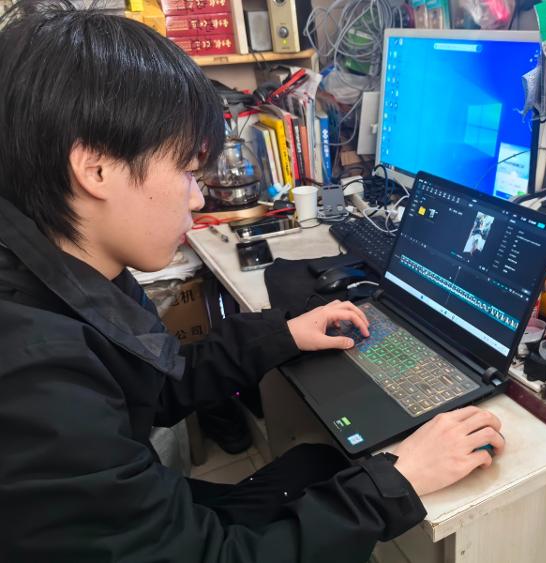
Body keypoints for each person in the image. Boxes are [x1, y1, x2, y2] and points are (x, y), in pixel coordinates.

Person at [0, 2, 506, 562]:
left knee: (320, 464)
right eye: (187, 172)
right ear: (95, 169)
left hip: (151, 519)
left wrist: (281, 335)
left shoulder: (71, 269)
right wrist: (398, 480)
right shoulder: (33, 377)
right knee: (350, 478)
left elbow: (155, 385)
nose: (198, 198)